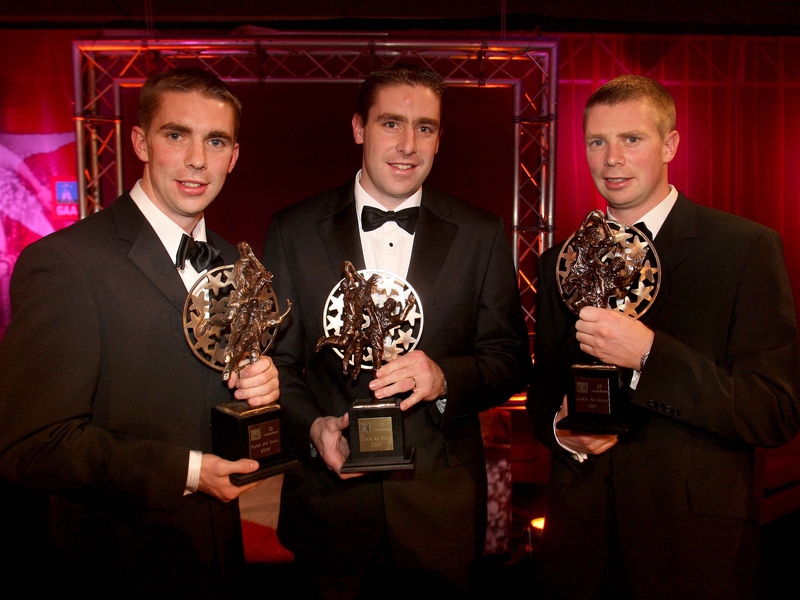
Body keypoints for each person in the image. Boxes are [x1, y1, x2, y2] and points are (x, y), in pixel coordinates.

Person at [0, 67, 279, 598]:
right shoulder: (63, 263)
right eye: (177, 135)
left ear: (234, 156)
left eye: (214, 140)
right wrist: (189, 470)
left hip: (219, 557)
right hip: (114, 564)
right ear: (140, 142)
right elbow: (32, 446)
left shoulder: (237, 264)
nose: (197, 159)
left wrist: (260, 387)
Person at [262, 63, 531, 595]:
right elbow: (279, 366)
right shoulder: (292, 229)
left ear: (439, 137)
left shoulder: (481, 232)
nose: (408, 145)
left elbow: (508, 359)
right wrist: (314, 429)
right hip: (329, 507)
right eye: (391, 124)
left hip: (441, 511)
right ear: (359, 127)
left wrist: (444, 378)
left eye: (425, 127)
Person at [527, 74, 800, 599]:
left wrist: (651, 355)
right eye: (597, 141)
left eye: (632, 139)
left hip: (696, 552)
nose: (612, 158)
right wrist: (561, 430)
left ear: (670, 144)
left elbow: (775, 409)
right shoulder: (558, 260)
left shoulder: (744, 249)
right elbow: (543, 392)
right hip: (579, 550)